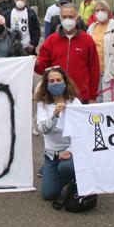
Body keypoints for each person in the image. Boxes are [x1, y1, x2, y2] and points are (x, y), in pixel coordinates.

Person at [35, 67, 87, 204]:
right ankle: (63, 177)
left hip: (71, 153)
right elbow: (41, 129)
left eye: (59, 80)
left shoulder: (74, 102)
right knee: (48, 194)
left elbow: (82, 132)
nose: (55, 83)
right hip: (52, 155)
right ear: (46, 84)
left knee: (66, 167)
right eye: (51, 81)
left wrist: (69, 150)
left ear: (65, 82)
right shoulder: (43, 104)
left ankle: (77, 179)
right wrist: (55, 115)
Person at [36, 4, 99, 103]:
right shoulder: (51, 40)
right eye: (64, 17)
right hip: (57, 96)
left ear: (77, 18)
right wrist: (36, 63)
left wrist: (93, 96)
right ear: (60, 18)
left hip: (81, 96)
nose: (67, 19)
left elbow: (94, 70)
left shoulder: (87, 40)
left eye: (70, 17)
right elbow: (42, 68)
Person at [87, 0, 114, 103]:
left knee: (109, 99)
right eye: (97, 10)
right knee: (96, 98)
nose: (100, 12)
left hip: (110, 69)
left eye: (102, 9)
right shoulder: (91, 28)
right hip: (95, 70)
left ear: (108, 11)